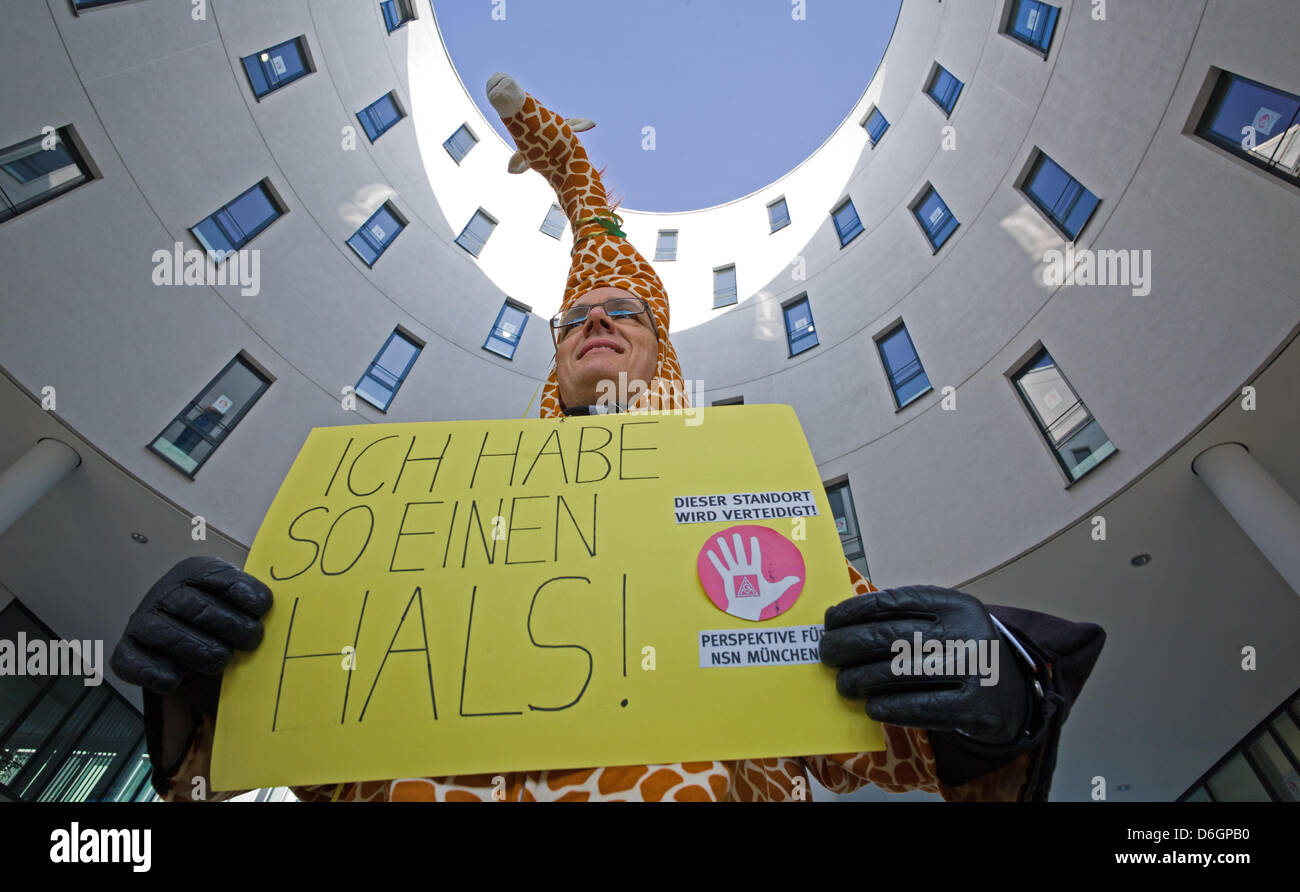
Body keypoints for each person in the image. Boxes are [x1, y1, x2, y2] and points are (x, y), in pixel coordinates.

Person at [110, 75, 1104, 802]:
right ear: (552, 357)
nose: (594, 318)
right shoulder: (442, 513)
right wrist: (203, 694)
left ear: (662, 345)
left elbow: (883, 737)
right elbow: (284, 753)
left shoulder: (757, 518)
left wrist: (992, 687)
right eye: (573, 315)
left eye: (623, 307)